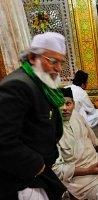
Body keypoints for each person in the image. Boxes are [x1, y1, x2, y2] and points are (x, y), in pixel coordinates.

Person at [0, 32, 67, 199]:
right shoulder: (17, 85)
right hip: (21, 180)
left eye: (61, 62)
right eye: (53, 61)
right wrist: (36, 165)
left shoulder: (40, 84)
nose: (58, 68)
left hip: (38, 173)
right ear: (32, 57)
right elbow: (3, 140)